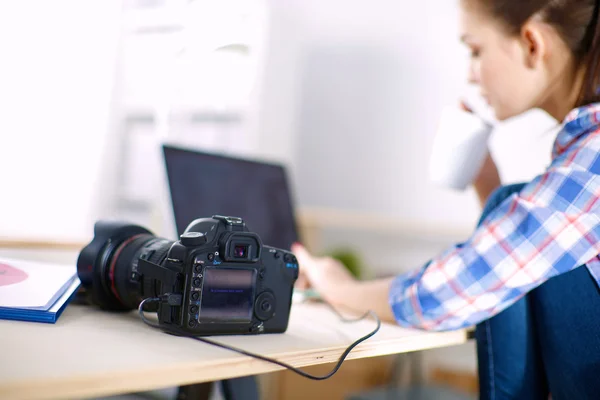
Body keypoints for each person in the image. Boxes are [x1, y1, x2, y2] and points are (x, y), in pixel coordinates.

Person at [292, 0, 600, 398]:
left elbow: (445, 294)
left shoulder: (591, 159)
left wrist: (337, 289)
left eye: (475, 50)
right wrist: (486, 179)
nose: (471, 75)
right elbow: (529, 257)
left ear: (531, 43)